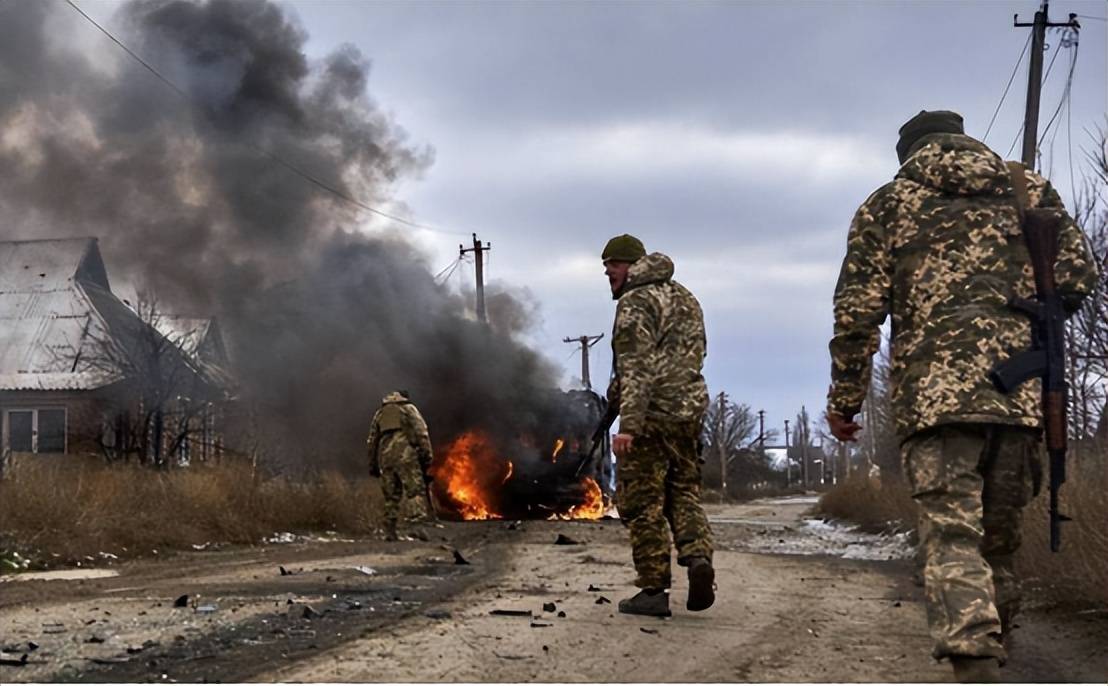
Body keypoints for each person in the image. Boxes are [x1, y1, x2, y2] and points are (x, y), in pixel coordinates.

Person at [826, 111, 1098, 682]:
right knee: (998, 541)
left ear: (908, 154)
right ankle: (1001, 644)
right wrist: (1026, 312)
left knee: (953, 536)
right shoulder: (1026, 188)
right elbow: (1079, 277)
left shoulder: (888, 204)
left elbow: (857, 315)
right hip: (1022, 399)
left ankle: (974, 656)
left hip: (936, 406)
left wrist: (846, 400)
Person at [602, 234, 715, 617]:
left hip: (650, 417)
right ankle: (698, 557)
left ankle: (654, 590)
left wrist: (627, 424)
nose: (607, 272)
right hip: (689, 413)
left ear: (632, 265)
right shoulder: (685, 298)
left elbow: (637, 367)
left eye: (612, 265)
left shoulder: (635, 302)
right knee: (683, 491)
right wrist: (613, 397)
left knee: (642, 503)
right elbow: (690, 354)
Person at [367, 390, 435, 541]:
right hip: (406, 455)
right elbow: (422, 432)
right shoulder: (409, 409)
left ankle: (390, 531)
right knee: (414, 491)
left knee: (391, 496)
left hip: (385, 457)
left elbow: (372, 440)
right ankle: (416, 527)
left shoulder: (380, 413)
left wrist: (372, 464)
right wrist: (427, 456)